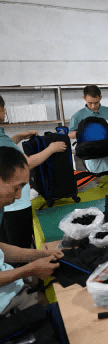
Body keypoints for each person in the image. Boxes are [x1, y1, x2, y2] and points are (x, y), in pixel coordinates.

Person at [0, 146, 63, 316]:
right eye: (16, 188)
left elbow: (0, 249)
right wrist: (29, 269)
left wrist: (38, 255)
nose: (19, 196)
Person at [0, 96, 67, 249]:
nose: (5, 111)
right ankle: (21, 271)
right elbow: (25, 164)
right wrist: (51, 149)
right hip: (14, 206)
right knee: (18, 246)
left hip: (7, 205)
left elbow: (5, 151)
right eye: (4, 108)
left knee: (7, 244)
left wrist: (18, 137)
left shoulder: (2, 137)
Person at [68, 85, 108, 174]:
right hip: (91, 156)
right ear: (84, 98)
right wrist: (85, 133)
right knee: (95, 181)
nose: (93, 106)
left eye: (96, 102)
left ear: (100, 97)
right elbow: (70, 135)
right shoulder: (78, 116)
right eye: (90, 103)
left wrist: (104, 133)